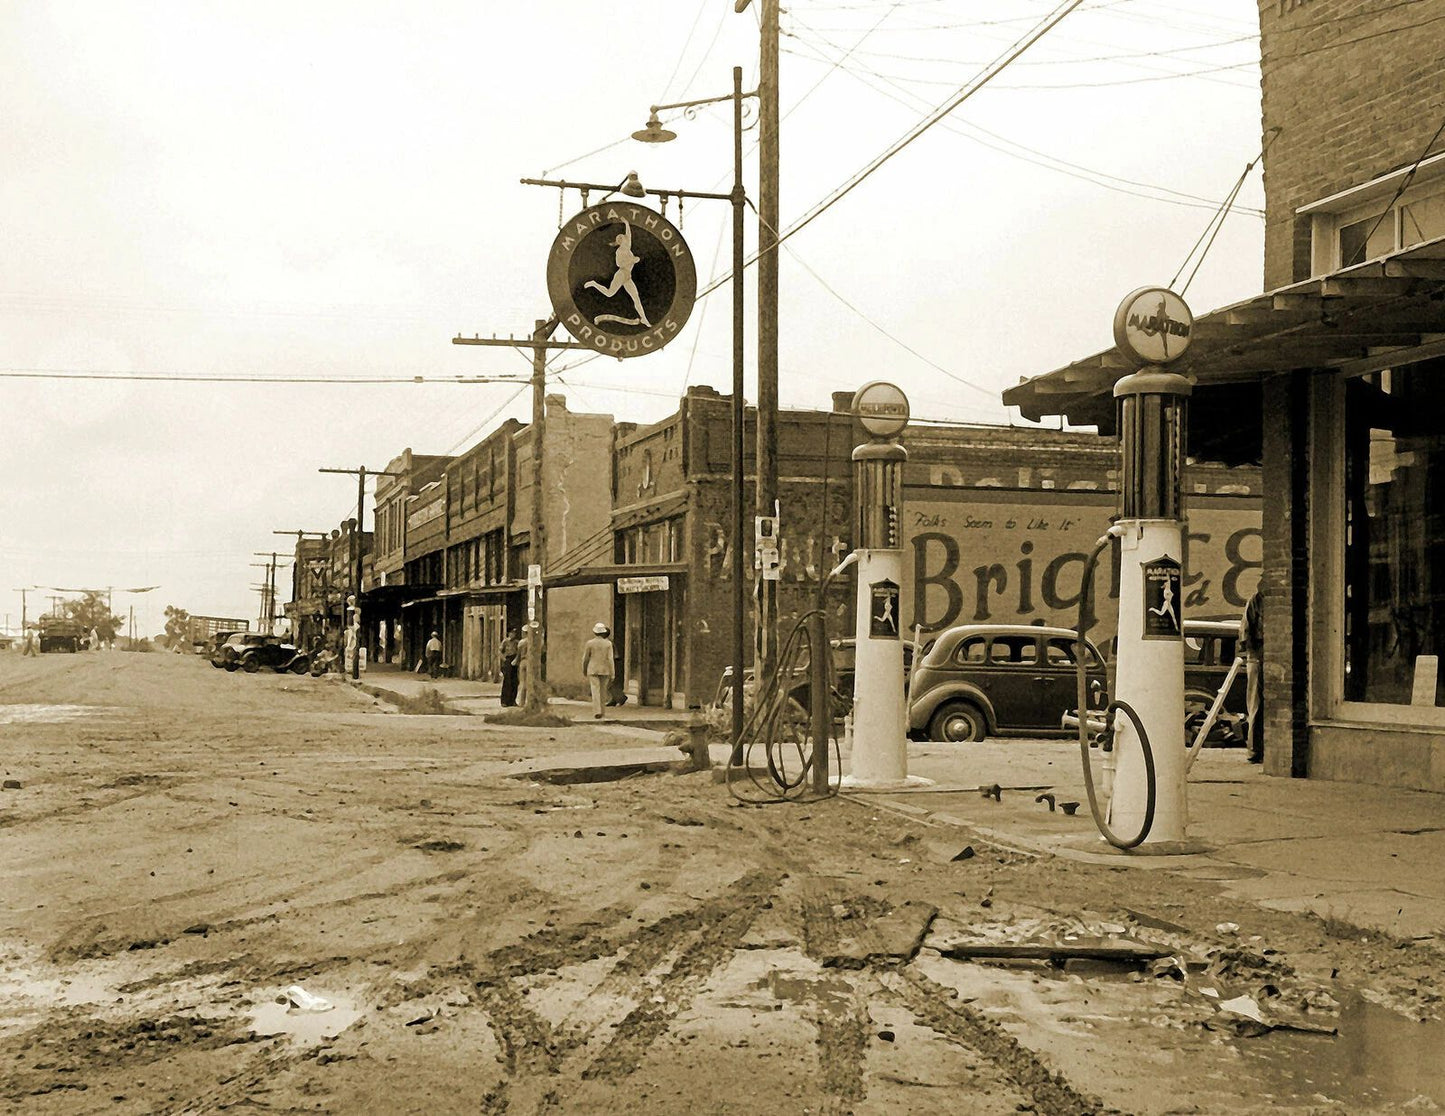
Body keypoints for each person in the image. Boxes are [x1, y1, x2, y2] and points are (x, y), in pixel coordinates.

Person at [1240, 587, 1264, 764]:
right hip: (1258, 658)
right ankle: (1254, 749)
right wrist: (1255, 656)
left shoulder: (1261, 600)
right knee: (1256, 704)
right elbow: (1245, 633)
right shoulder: (1256, 600)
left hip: (1267, 656)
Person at [582, 622, 616, 720]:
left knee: (595, 690)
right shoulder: (608, 644)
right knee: (603, 691)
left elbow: (585, 658)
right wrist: (612, 672)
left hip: (592, 669)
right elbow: (610, 659)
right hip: (605, 669)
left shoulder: (590, 643)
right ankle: (602, 711)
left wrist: (584, 669)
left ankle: (597, 711)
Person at [499, 628, 520, 707]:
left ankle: (512, 700)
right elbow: (500, 651)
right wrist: (504, 659)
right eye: (511, 633)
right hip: (508, 660)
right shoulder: (505, 642)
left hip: (514, 660)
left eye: (514, 633)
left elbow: (519, 652)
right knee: (507, 681)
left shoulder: (517, 643)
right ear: (509, 634)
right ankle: (504, 701)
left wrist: (516, 660)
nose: (512, 635)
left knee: (515, 681)